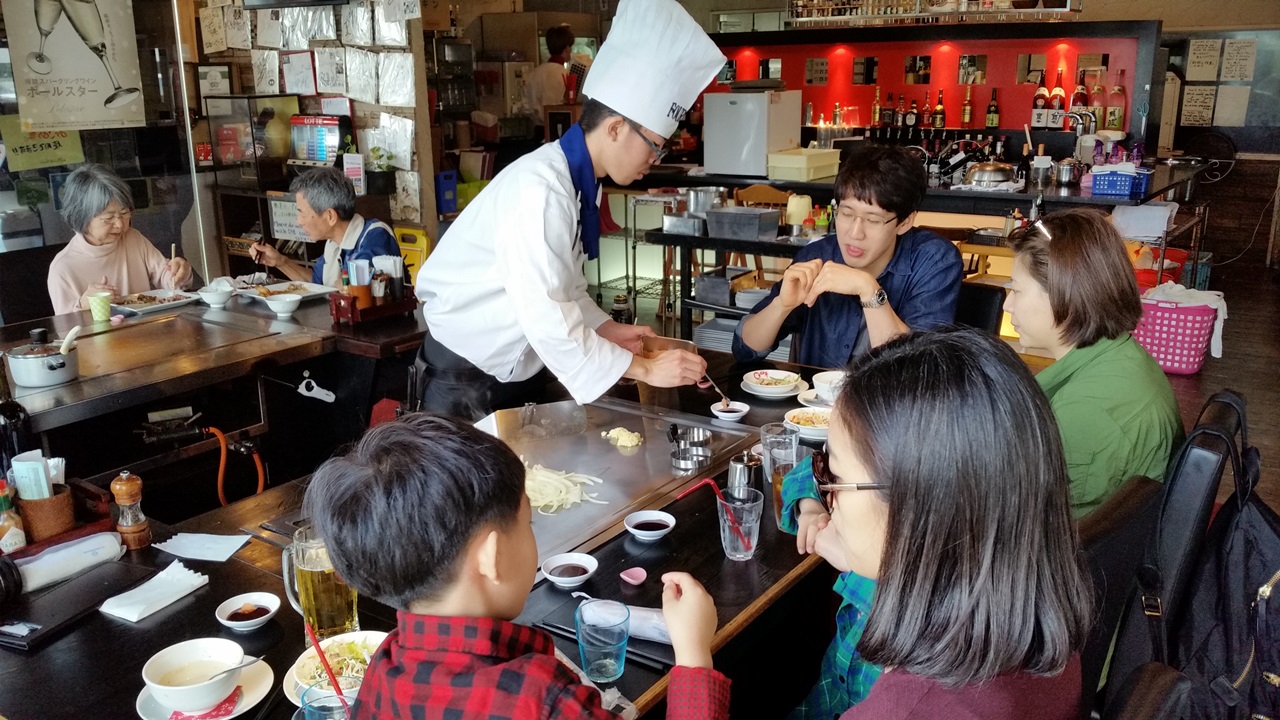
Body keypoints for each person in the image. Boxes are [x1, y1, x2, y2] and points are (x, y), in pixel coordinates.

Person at [302, 413, 730, 720]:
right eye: (528, 522)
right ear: (491, 557)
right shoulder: (542, 697)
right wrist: (693, 654)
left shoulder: (384, 666)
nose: (533, 534)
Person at [414, 0, 724, 420]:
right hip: (463, 378)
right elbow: (547, 314)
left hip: (508, 368)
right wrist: (646, 368)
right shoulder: (541, 189)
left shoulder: (578, 182)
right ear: (615, 127)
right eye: (655, 144)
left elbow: (565, 289)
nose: (656, 157)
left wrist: (606, 329)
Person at [812, 327, 1093, 719]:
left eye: (835, 479)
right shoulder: (1032, 619)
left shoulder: (908, 709)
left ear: (918, 506)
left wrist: (694, 673)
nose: (828, 497)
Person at [1004, 208, 1183, 516]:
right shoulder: (1118, 354)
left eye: (1016, 291)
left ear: (1065, 296)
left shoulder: (1085, 414)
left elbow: (1032, 527)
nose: (1007, 305)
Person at [732, 146, 963, 368]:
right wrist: (781, 305)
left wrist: (868, 289)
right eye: (846, 213)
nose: (854, 233)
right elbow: (744, 349)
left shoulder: (935, 261)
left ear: (904, 222)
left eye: (873, 220)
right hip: (815, 407)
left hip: (891, 407)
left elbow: (920, 372)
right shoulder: (818, 255)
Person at [47, 164, 193, 315]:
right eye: (108, 218)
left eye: (124, 213)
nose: (119, 224)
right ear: (81, 216)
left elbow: (168, 281)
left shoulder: (133, 239)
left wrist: (180, 273)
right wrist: (83, 304)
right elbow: (66, 329)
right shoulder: (63, 268)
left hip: (146, 333)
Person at [249, 167, 399, 289]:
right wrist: (280, 262)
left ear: (330, 216)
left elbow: (351, 287)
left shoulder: (375, 236)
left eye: (302, 213)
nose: (299, 221)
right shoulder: (333, 244)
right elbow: (317, 283)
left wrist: (345, 283)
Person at [526, 24, 575, 127]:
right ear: (566, 48)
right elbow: (556, 108)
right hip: (557, 128)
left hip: (536, 130)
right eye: (570, 47)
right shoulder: (562, 73)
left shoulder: (534, 73)